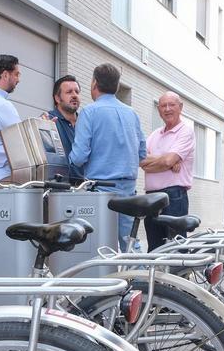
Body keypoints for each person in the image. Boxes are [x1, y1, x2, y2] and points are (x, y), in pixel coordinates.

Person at [68, 63, 147, 248]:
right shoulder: (132, 114)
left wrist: (68, 158)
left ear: (94, 83)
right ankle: (141, 277)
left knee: (100, 245)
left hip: (100, 190)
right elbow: (142, 154)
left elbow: (78, 157)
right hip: (128, 189)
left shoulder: (89, 112)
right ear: (117, 86)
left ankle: (109, 277)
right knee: (130, 243)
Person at [140, 91, 195, 250]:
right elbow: (141, 160)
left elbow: (168, 160)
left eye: (172, 105)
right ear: (158, 110)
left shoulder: (186, 131)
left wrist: (167, 161)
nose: (167, 109)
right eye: (163, 105)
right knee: (154, 248)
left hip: (174, 196)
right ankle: (156, 276)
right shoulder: (154, 134)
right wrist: (166, 161)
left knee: (176, 248)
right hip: (151, 198)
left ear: (180, 107)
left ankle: (180, 276)